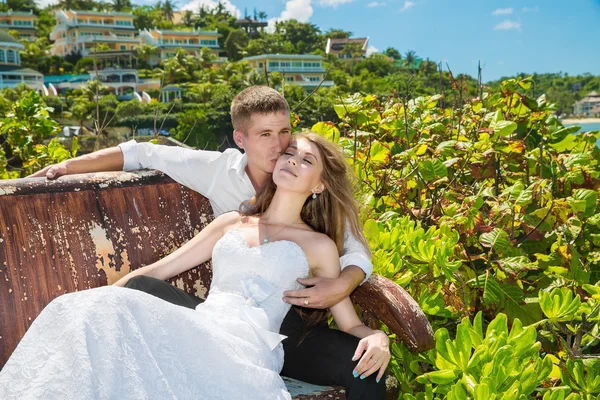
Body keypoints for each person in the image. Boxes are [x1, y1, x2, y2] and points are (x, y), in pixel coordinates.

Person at [28, 86, 384, 398]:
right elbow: (158, 267)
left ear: (319, 184)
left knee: (366, 368)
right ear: (241, 139)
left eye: (291, 143)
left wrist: (376, 334)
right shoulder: (231, 216)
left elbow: (350, 311)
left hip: (266, 337)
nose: (282, 151)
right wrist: (94, 300)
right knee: (94, 306)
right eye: (280, 146)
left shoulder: (319, 242)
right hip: (208, 321)